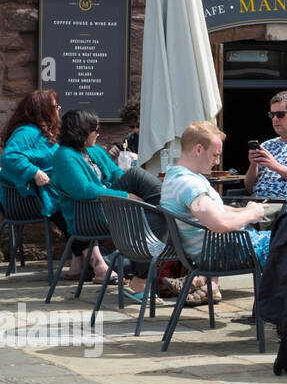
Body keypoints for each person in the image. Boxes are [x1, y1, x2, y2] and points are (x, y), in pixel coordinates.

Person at [49, 109, 164, 298]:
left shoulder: (93, 150)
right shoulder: (64, 156)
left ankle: (164, 208)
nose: (98, 133)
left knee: (151, 211)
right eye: (95, 130)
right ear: (81, 132)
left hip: (106, 206)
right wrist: (124, 195)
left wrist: (127, 190)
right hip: (88, 215)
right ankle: (169, 208)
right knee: (154, 216)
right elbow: (84, 190)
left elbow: (117, 174)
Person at [160, 122, 270, 306]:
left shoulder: (178, 177)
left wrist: (246, 209)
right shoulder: (189, 185)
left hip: (215, 250)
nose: (217, 161)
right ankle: (284, 312)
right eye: (215, 155)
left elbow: (216, 210)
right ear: (198, 150)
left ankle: (203, 284)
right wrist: (251, 215)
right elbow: (219, 224)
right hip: (221, 253)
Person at [1, 90, 62, 223]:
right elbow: (10, 157)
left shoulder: (39, 132)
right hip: (32, 200)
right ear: (43, 110)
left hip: (51, 192)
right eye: (55, 106)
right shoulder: (26, 133)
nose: (58, 110)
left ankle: (89, 243)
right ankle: (83, 242)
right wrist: (35, 172)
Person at [243, 90, 287, 201]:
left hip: (281, 206)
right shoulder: (266, 145)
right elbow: (249, 187)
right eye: (272, 115)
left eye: (280, 114)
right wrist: (253, 165)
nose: (275, 119)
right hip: (254, 203)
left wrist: (275, 166)